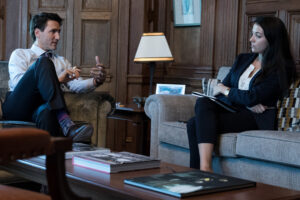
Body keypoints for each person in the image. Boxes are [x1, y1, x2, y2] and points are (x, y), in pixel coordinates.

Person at [187, 16, 297, 172]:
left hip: (255, 119)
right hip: (238, 110)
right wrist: (247, 102)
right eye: (252, 34)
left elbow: (248, 95)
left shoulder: (280, 69)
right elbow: (221, 91)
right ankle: (201, 172)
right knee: (203, 104)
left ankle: (202, 171)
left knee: (194, 123)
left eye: (258, 36)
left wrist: (238, 96)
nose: (251, 39)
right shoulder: (242, 59)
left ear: (272, 40)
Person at [2, 12, 106, 142]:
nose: (58, 37)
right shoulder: (20, 54)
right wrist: (59, 80)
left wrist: (97, 81)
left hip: (40, 108)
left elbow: (76, 85)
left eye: (59, 32)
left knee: (47, 111)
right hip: (17, 107)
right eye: (53, 31)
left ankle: (51, 158)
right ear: (37, 33)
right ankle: (65, 121)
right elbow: (20, 86)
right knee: (44, 62)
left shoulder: (61, 61)